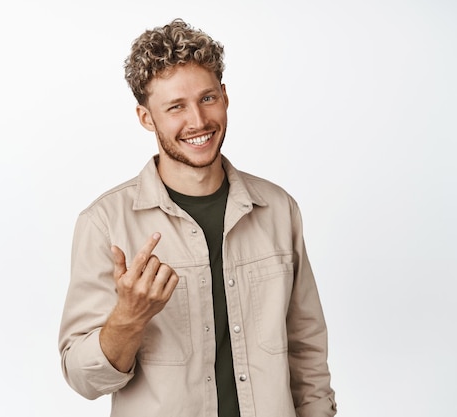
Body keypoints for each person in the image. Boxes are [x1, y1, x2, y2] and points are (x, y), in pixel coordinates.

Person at [58, 18, 337, 417]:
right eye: (175, 107)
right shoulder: (105, 223)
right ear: (146, 118)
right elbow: (82, 378)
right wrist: (128, 318)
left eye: (207, 98)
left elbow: (307, 350)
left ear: (224, 96)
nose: (198, 122)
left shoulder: (278, 209)